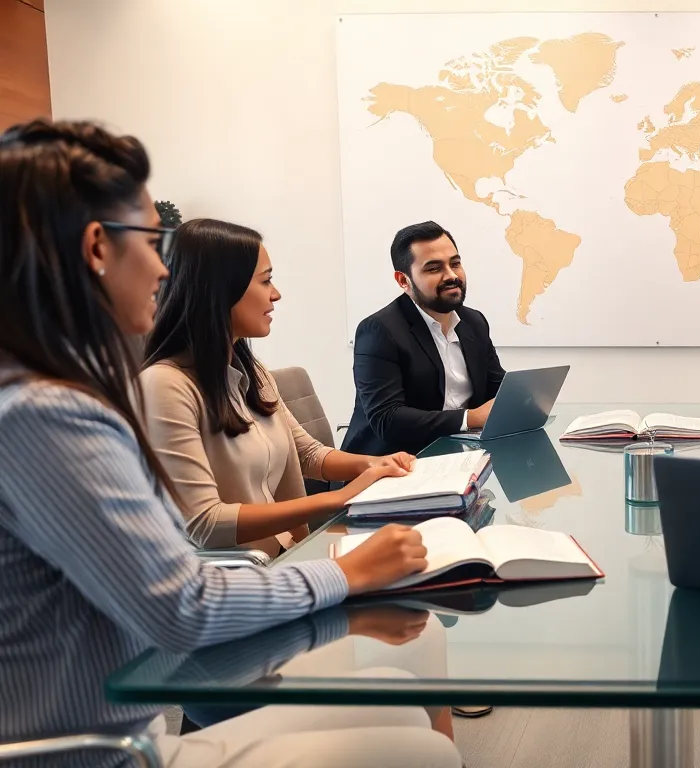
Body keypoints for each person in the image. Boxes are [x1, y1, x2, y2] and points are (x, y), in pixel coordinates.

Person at [0, 119, 460, 766]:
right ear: (98, 247)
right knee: (420, 751)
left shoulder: (51, 396)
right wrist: (343, 571)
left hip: (135, 724)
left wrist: (361, 486)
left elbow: (171, 578)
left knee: (407, 690)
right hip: (110, 752)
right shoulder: (50, 415)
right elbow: (183, 601)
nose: (163, 265)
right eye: (151, 239)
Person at [141, 219, 416, 558]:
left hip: (293, 551)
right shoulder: (164, 386)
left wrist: (374, 465)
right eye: (266, 280)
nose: (276, 293)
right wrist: (339, 498)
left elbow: (308, 454)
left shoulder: (252, 372)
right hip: (245, 575)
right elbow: (205, 523)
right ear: (219, 289)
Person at [341, 221, 505, 457]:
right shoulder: (378, 331)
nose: (451, 276)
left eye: (455, 263)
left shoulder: (474, 322)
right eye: (433, 268)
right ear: (403, 281)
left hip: (459, 456)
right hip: (392, 464)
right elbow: (387, 418)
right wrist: (471, 418)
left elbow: (496, 389)